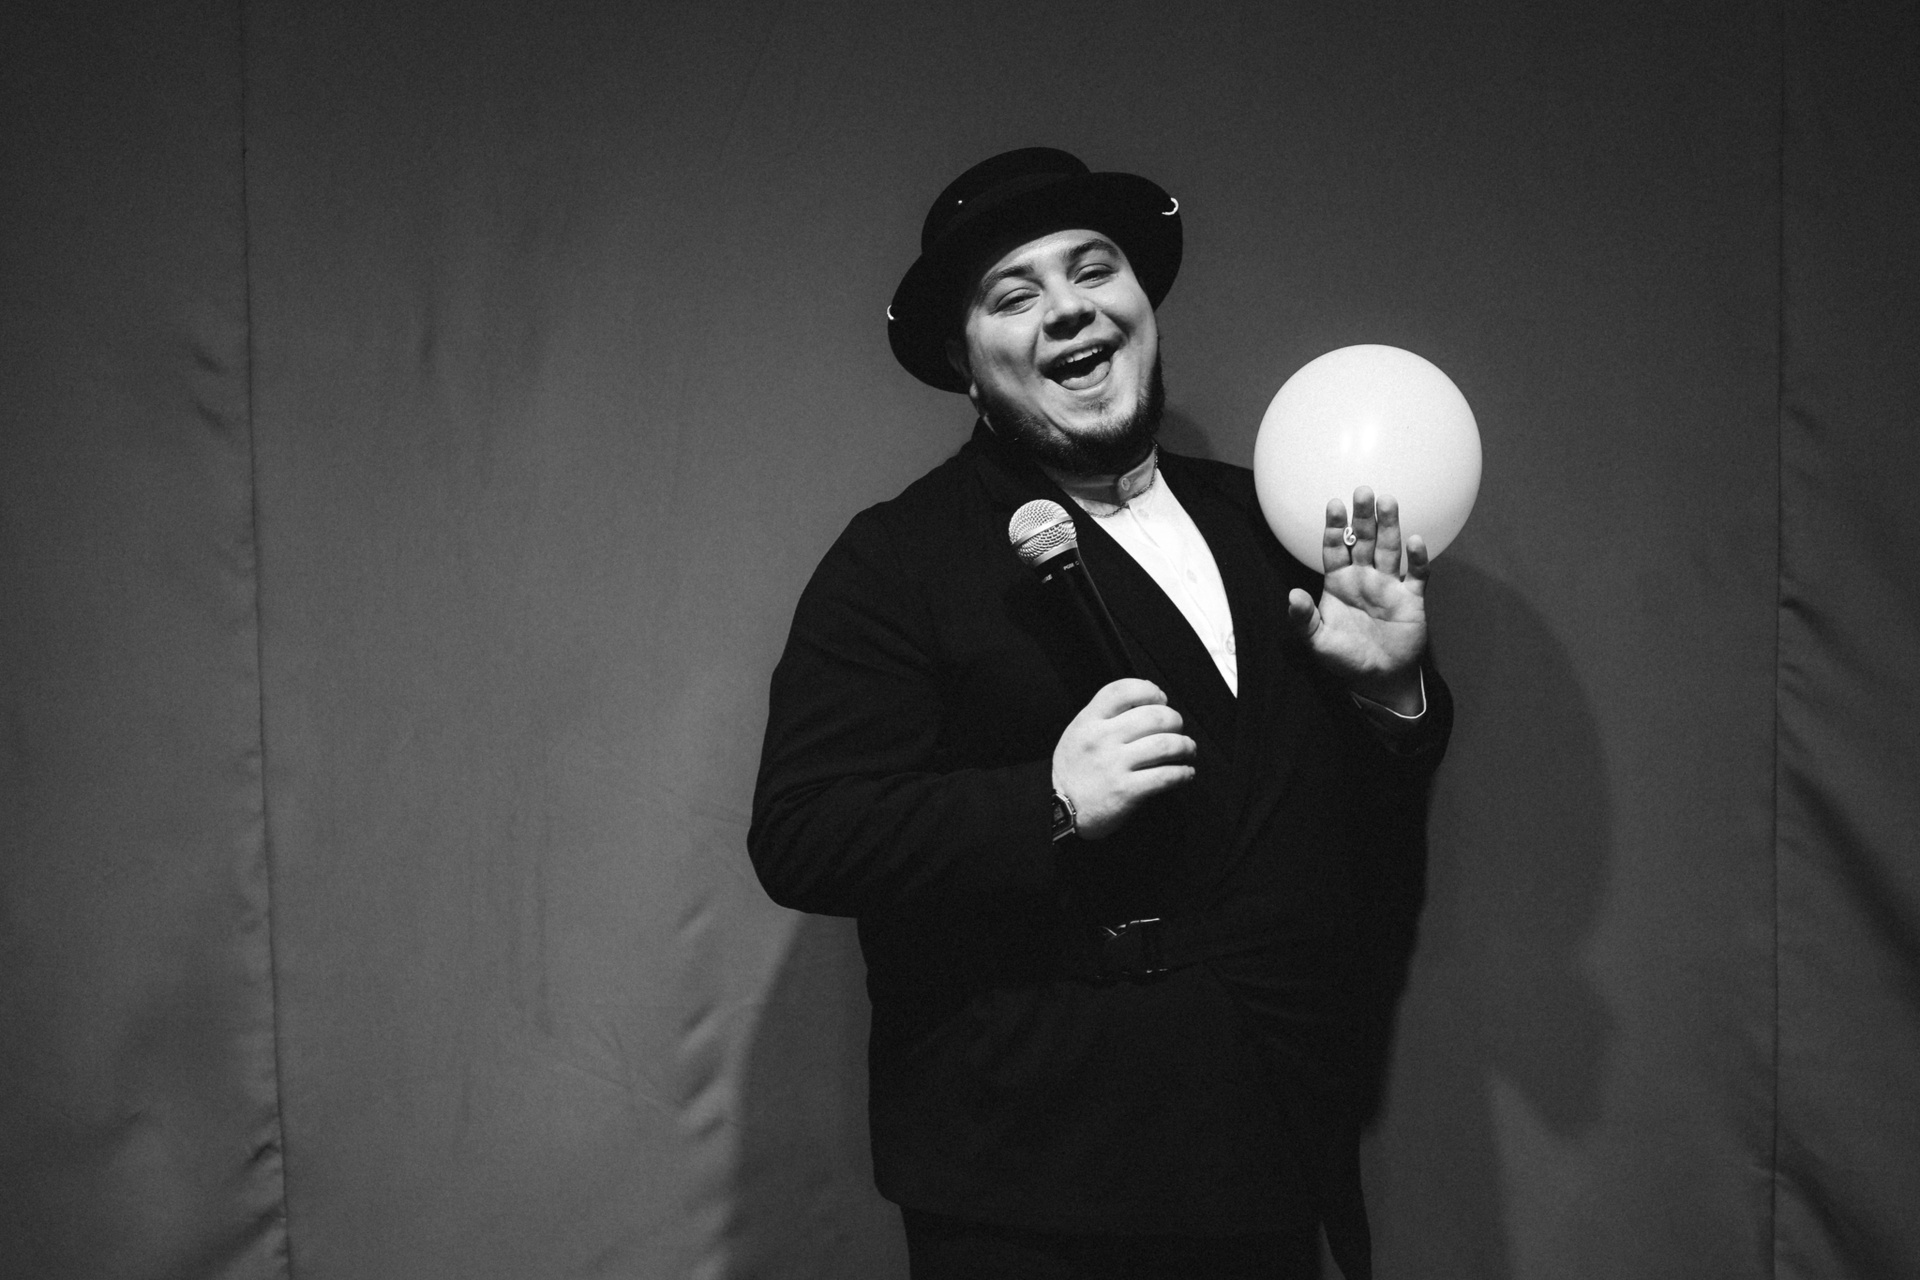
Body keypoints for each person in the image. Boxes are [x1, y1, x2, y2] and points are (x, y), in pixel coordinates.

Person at [749, 147, 1452, 1280]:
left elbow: (1313, 823)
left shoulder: (1269, 520)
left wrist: (1388, 694)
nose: (1068, 308)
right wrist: (1049, 802)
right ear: (965, 363)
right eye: (1013, 295)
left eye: (1092, 270)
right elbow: (802, 833)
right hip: (1036, 1176)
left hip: (1263, 1140)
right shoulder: (896, 560)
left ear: (1141, 304)